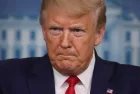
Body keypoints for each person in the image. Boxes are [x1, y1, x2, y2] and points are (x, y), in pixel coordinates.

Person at [0, 0, 140, 94]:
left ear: (98, 34)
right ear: (44, 31)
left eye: (76, 31)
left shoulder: (133, 82)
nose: (65, 43)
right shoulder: (6, 77)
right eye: (55, 29)